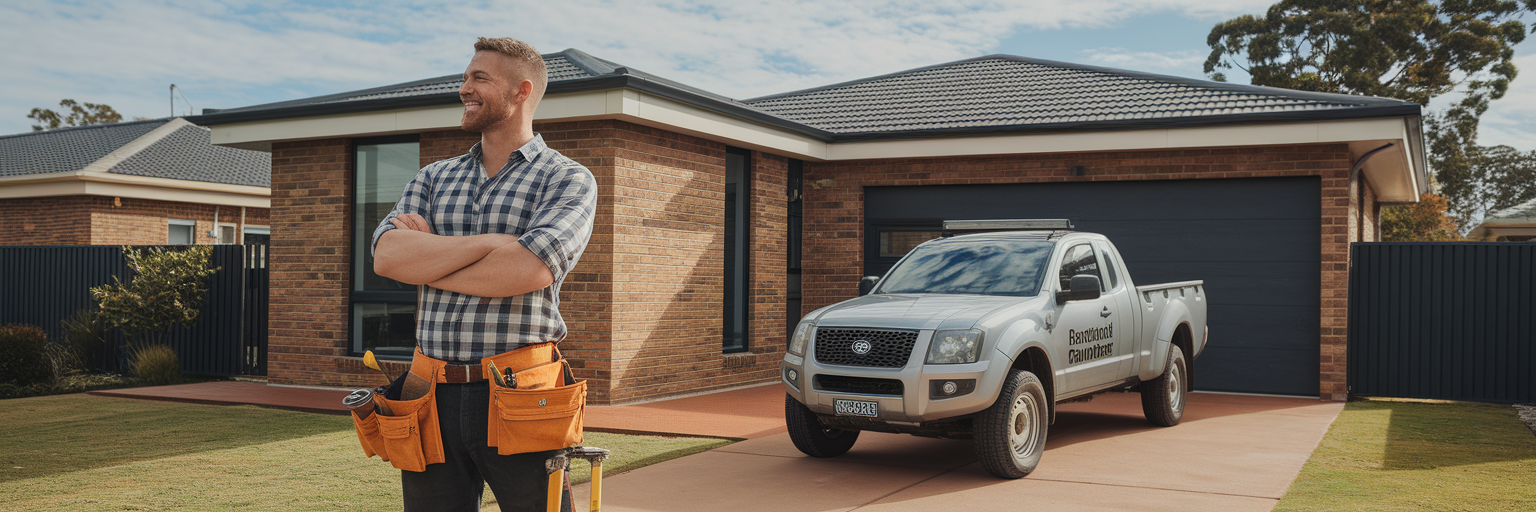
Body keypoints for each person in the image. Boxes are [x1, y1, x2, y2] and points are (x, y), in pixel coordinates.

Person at [371, 36, 596, 512]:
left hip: (521, 396)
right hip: (427, 394)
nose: (463, 88)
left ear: (521, 92)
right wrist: (489, 245)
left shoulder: (567, 179)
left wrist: (428, 259)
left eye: (479, 78)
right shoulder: (432, 177)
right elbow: (388, 258)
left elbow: (529, 268)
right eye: (466, 76)